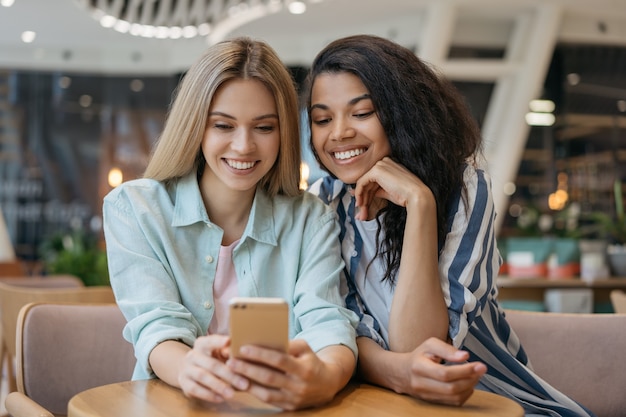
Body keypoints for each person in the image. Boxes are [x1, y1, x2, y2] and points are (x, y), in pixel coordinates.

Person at [305, 34, 594, 417]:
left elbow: (421, 346)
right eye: (322, 119)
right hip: (381, 402)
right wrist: (399, 374)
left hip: (493, 402)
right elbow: (340, 333)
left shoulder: (464, 188)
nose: (338, 133)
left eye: (362, 113)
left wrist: (420, 204)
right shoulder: (324, 201)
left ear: (401, 112)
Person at [103, 36, 358, 411]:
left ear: (284, 132)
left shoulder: (310, 218)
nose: (243, 146)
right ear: (196, 126)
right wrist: (188, 366)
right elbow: (155, 328)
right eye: (223, 125)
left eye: (264, 128)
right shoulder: (136, 208)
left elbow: (328, 323)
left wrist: (328, 377)